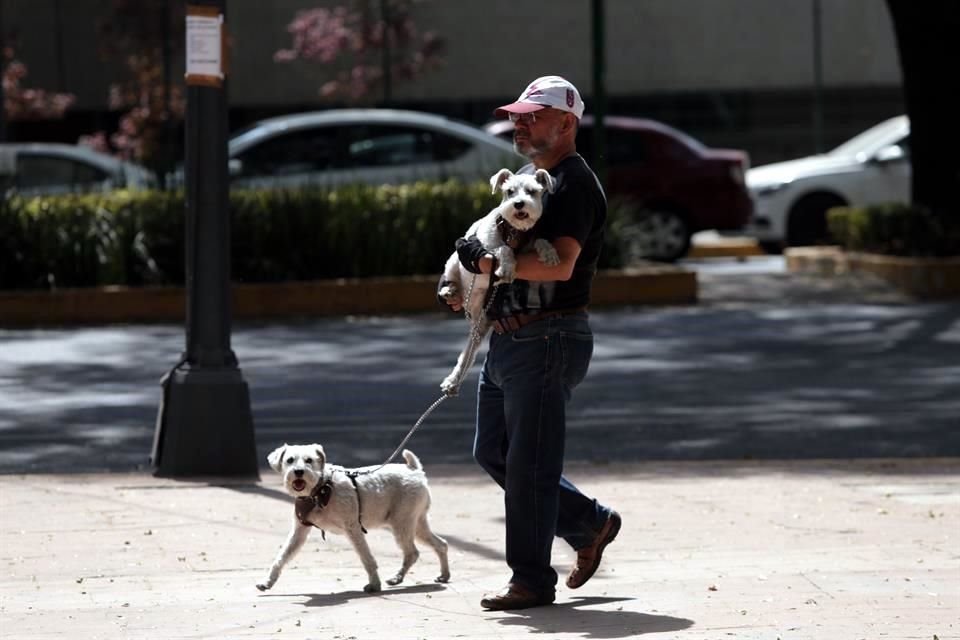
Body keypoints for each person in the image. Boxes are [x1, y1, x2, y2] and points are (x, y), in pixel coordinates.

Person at [440, 75, 621, 611]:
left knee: (529, 467)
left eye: (532, 117)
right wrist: (466, 270)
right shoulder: (527, 179)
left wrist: (486, 266)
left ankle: (531, 580)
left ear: (566, 123)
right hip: (508, 338)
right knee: (493, 452)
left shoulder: (572, 184)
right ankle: (588, 524)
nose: (519, 125)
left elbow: (559, 265)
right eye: (517, 117)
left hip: (548, 336)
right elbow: (489, 237)